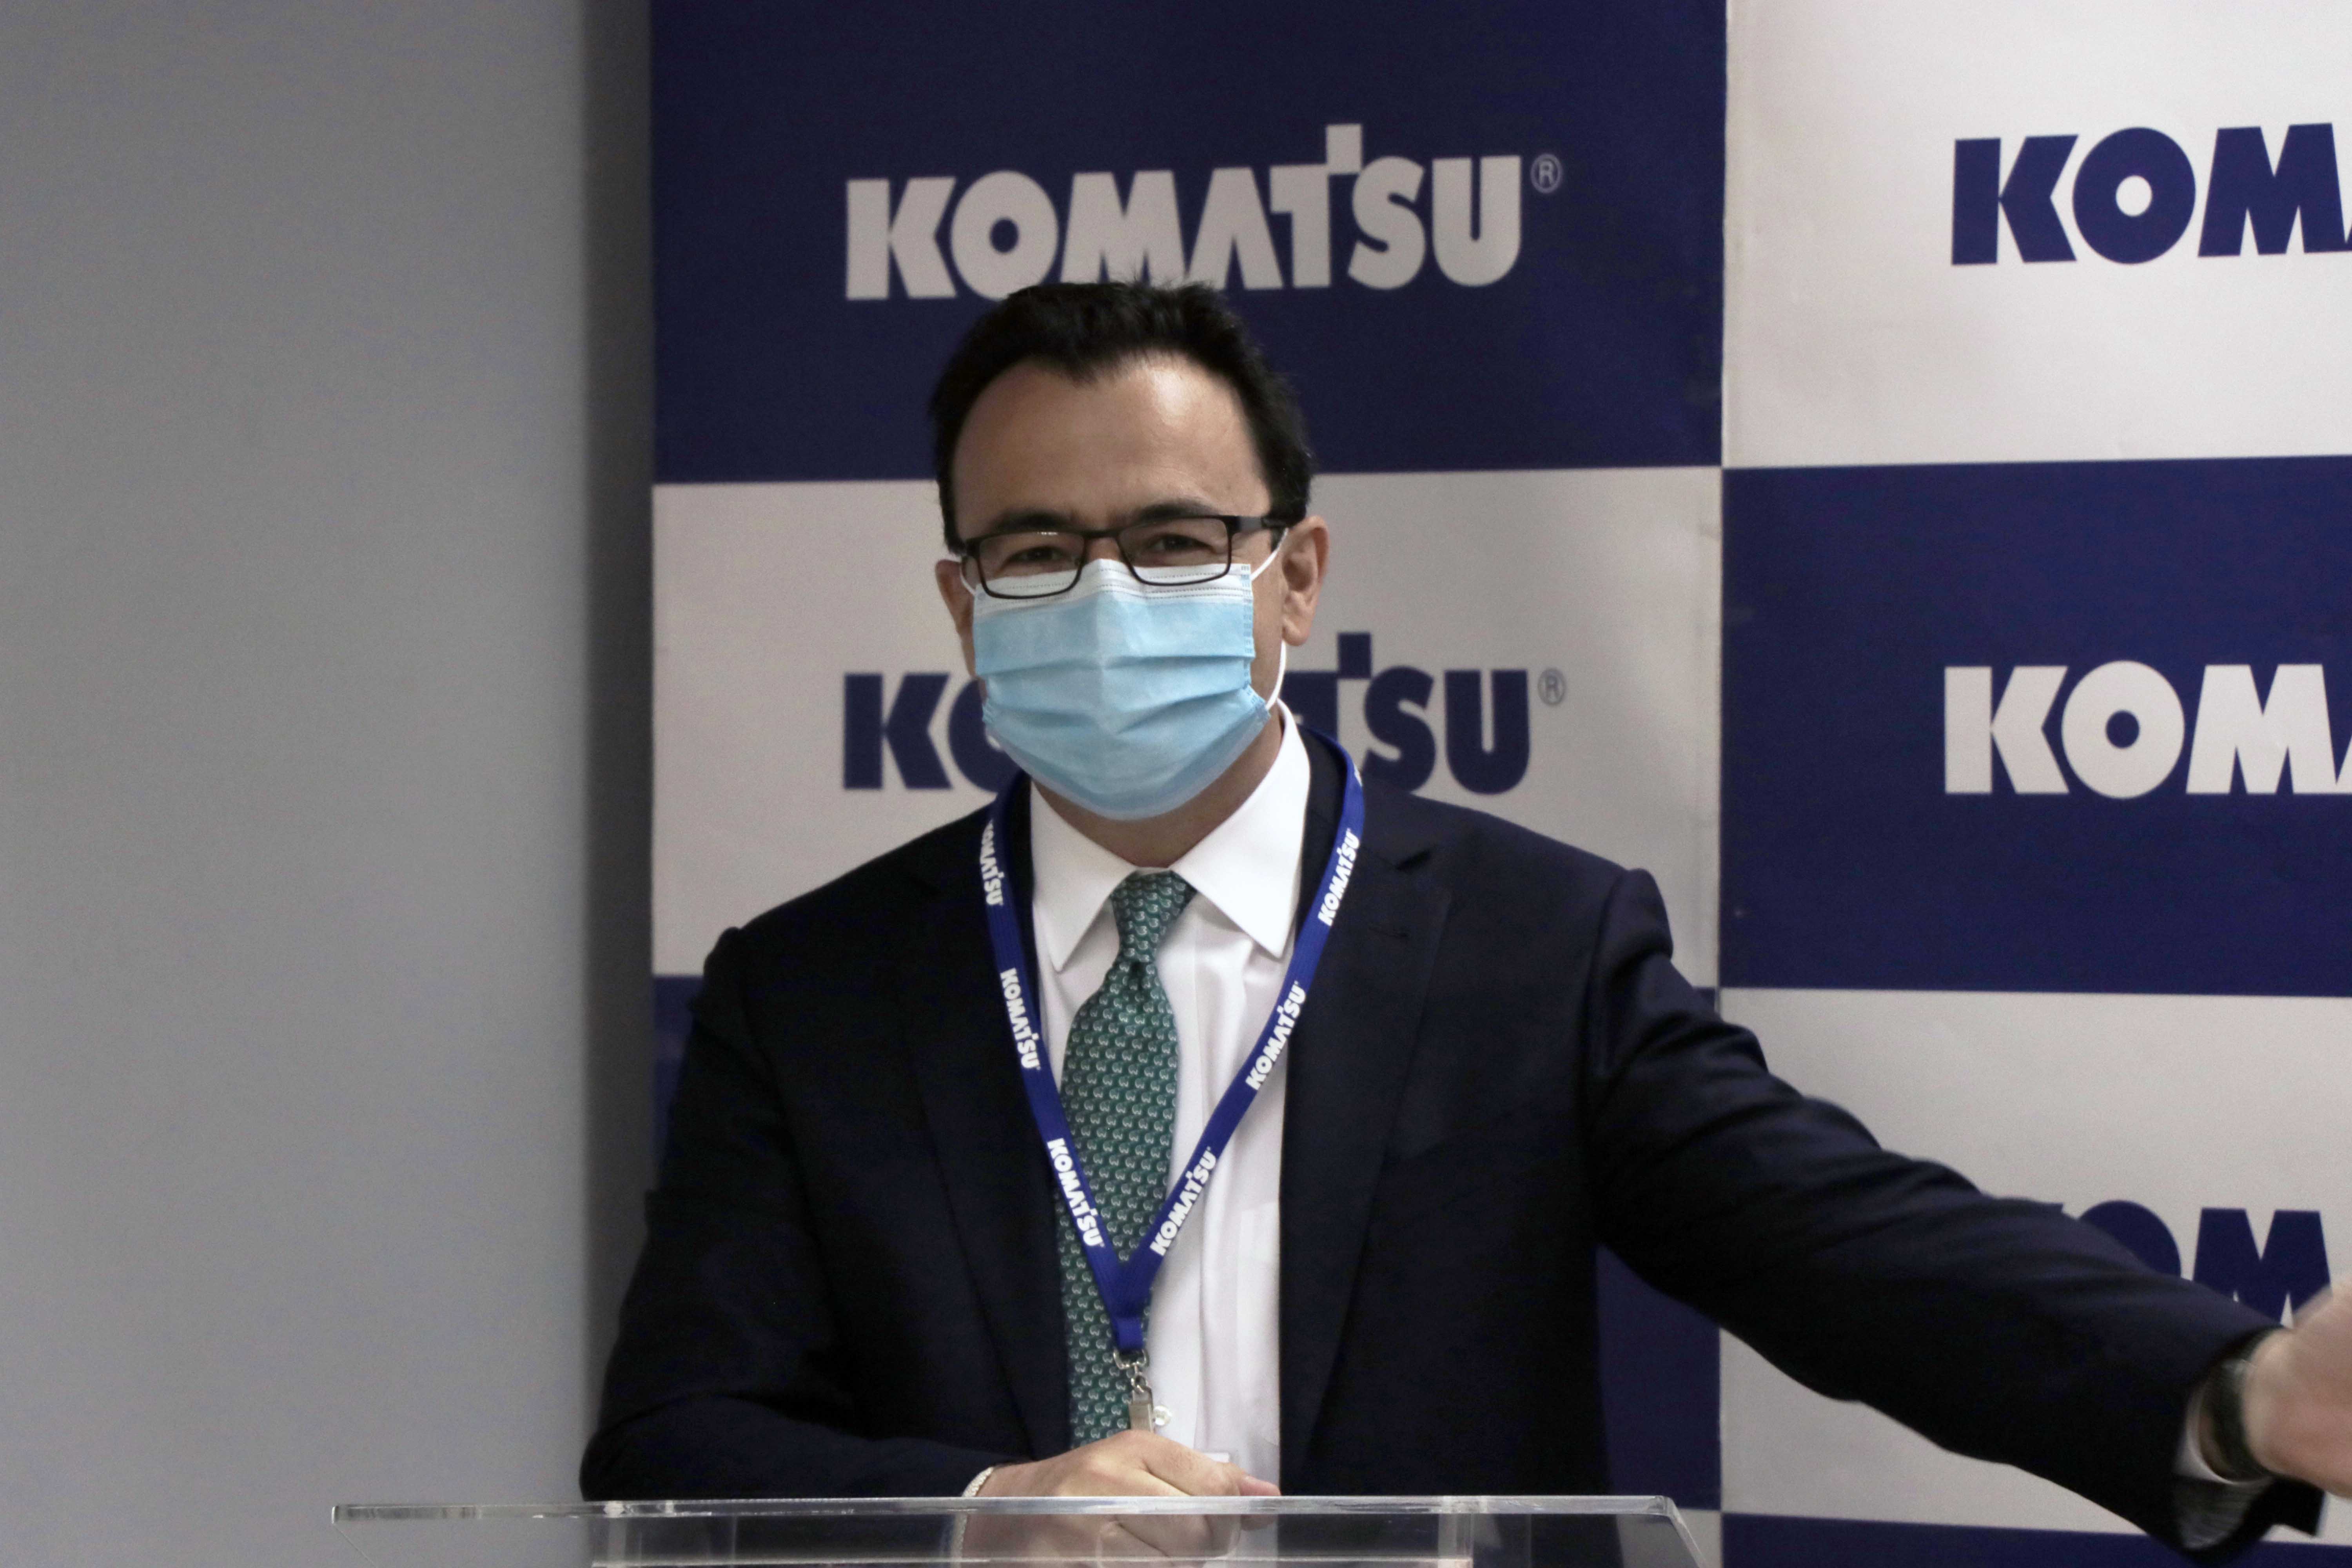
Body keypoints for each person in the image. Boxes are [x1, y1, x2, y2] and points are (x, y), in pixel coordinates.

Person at [584, 282, 2350, 1557]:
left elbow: (1844, 1245)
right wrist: (983, 1513)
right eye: (1038, 553)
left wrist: (2236, 1391)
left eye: (1177, 542)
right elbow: (675, 1445)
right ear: (965, 606)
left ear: (1297, 577)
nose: (1108, 597)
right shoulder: (810, 990)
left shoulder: (1529, 946)